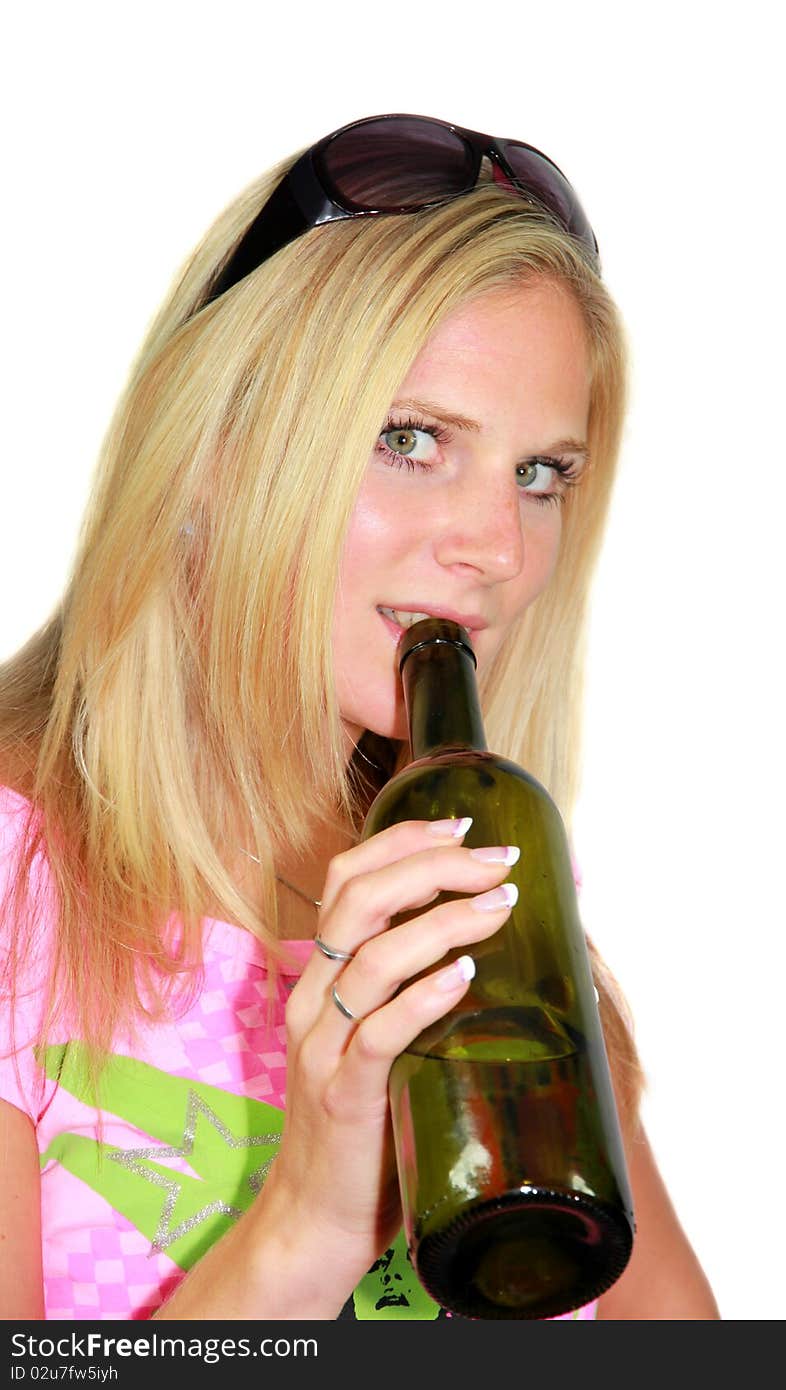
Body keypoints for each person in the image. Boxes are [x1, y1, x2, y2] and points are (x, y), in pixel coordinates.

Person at [0, 113, 719, 1321]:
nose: (495, 546)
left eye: (541, 473)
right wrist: (313, 1218)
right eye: (410, 440)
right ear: (211, 453)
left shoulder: (480, 882)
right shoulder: (22, 891)